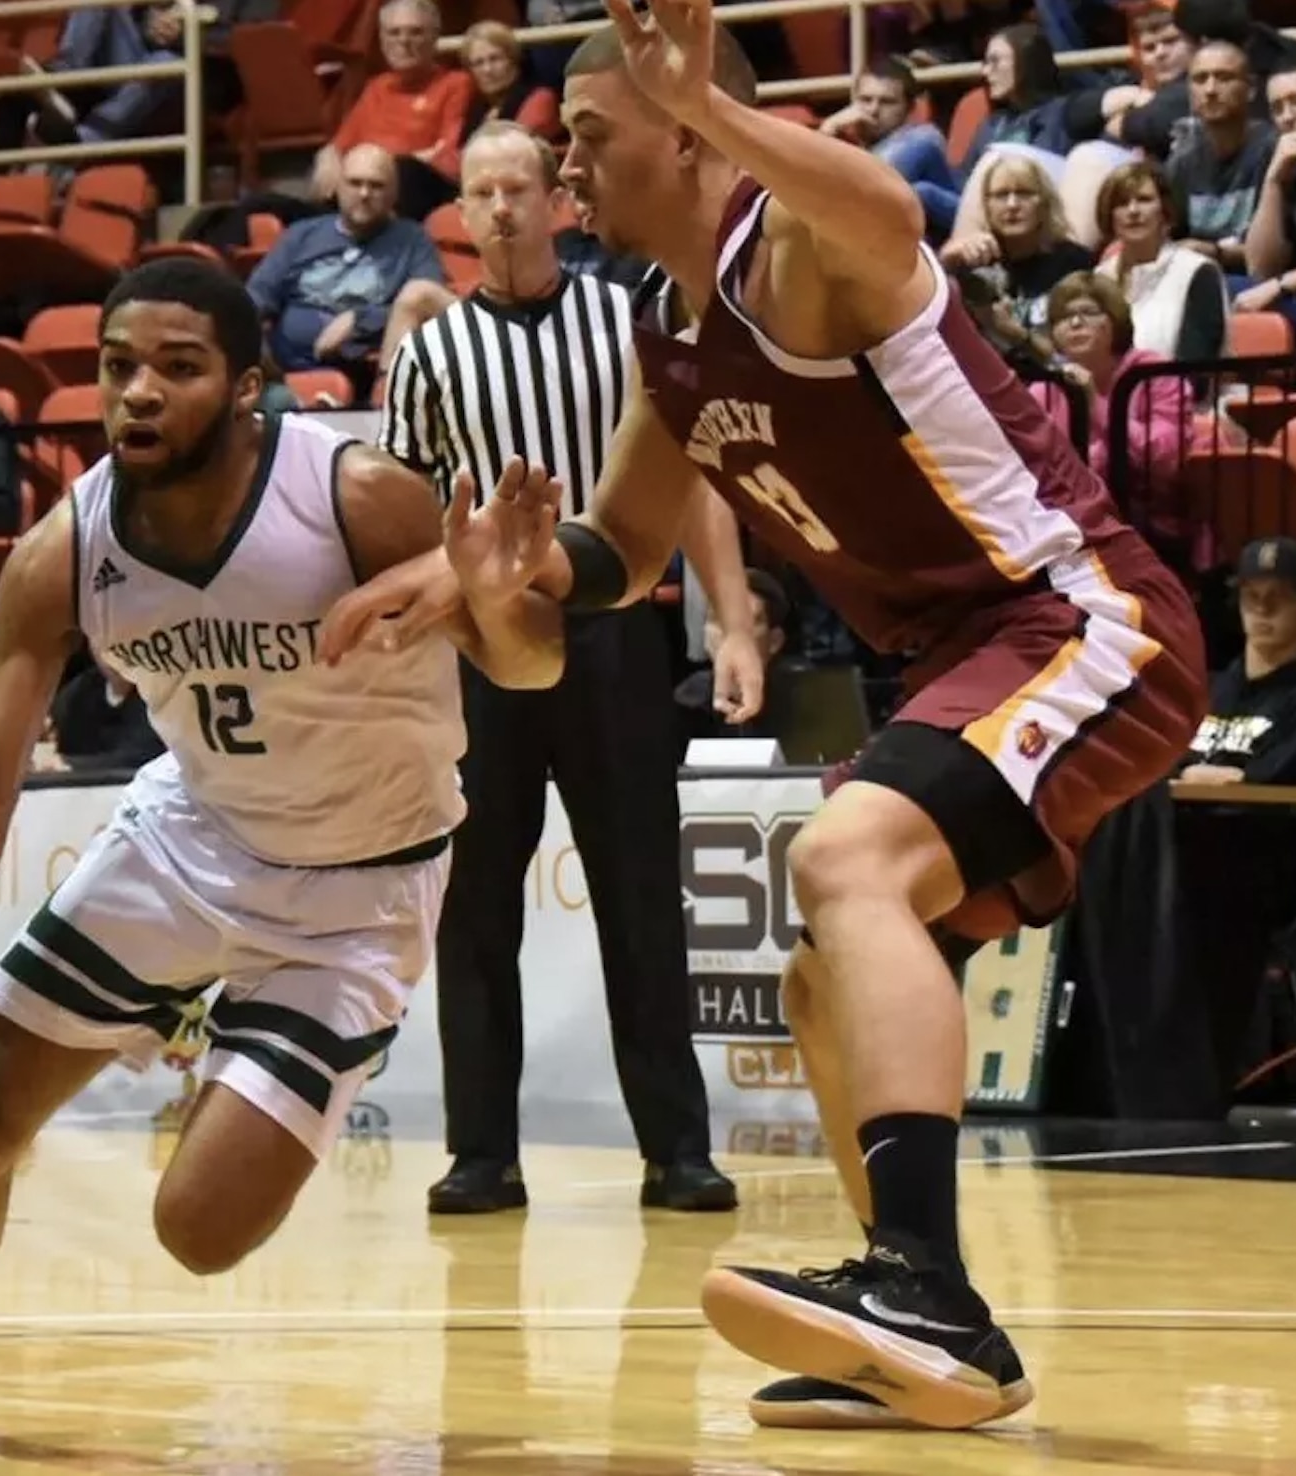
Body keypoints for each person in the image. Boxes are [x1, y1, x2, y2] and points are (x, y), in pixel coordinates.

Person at [321, 0, 1208, 1432]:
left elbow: (884, 215)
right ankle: (921, 1339)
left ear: (683, 135)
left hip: (1080, 617)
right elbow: (608, 562)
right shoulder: (668, 340)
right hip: (962, 658)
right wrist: (471, 578)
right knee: (822, 977)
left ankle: (917, 1276)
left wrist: (722, 115)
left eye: (591, 141)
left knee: (842, 862)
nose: (566, 176)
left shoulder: (797, 252)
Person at [0, 257, 546, 1456]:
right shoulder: (66, 547)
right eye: (118, 366)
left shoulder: (358, 496)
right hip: (193, 837)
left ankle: (232, 1035)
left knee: (198, 1230)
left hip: (361, 886)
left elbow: (530, 665)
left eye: (177, 369)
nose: (138, 392)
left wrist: (497, 599)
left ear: (249, 389)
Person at [383, 122, 757, 1214]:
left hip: (615, 625)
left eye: (517, 188)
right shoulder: (428, 354)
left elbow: (690, 485)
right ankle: (481, 1153)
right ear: (458, 214)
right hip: (482, 639)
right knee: (477, 904)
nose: (498, 209)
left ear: (557, 200)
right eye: (478, 193)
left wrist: (731, 624)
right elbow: (405, 519)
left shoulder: (626, 315)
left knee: (641, 894)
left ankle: (676, 1150)